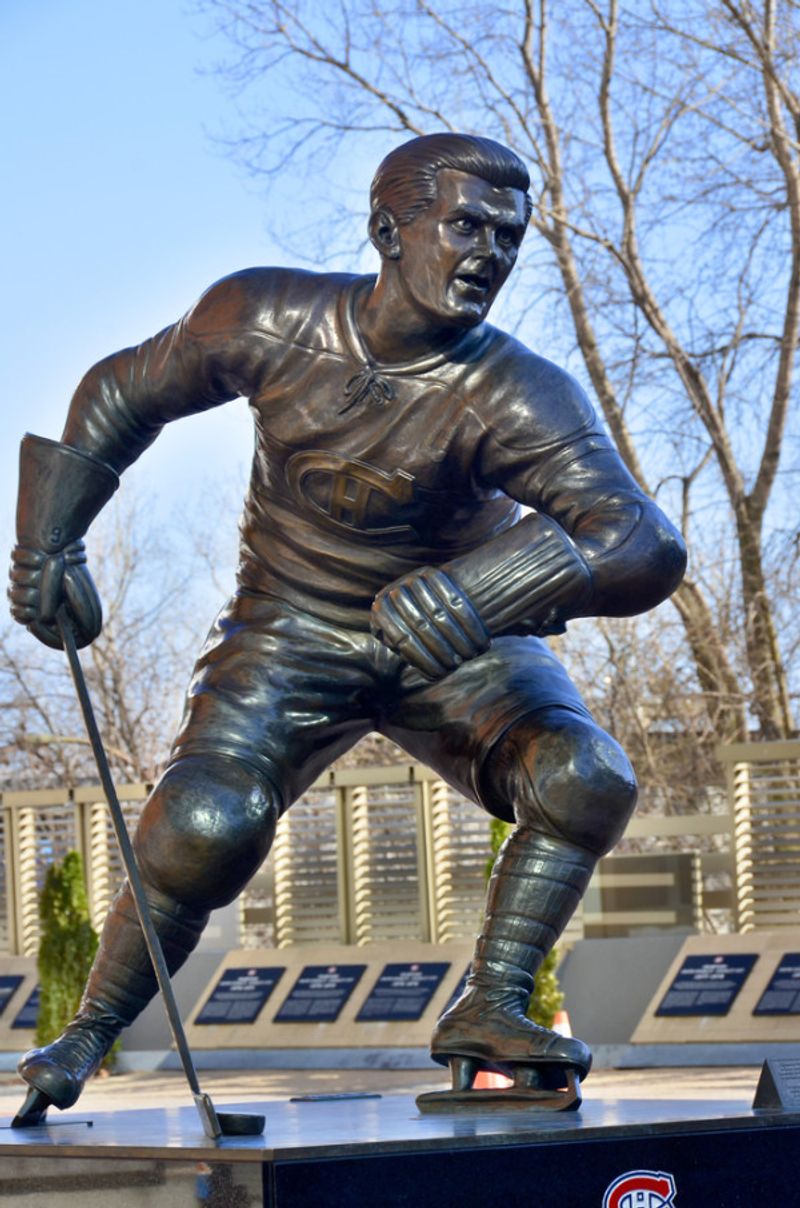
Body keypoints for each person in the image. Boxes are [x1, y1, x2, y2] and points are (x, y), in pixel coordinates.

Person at [9, 133, 686, 1116]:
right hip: (288, 628)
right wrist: (48, 547)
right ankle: (84, 1036)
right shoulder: (266, 316)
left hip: (456, 646)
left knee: (584, 777)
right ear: (387, 228)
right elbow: (121, 389)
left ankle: (491, 1005)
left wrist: (479, 593)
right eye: (464, 225)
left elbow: (638, 539)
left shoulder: (515, 392)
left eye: (508, 235)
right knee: (206, 821)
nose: (488, 253)